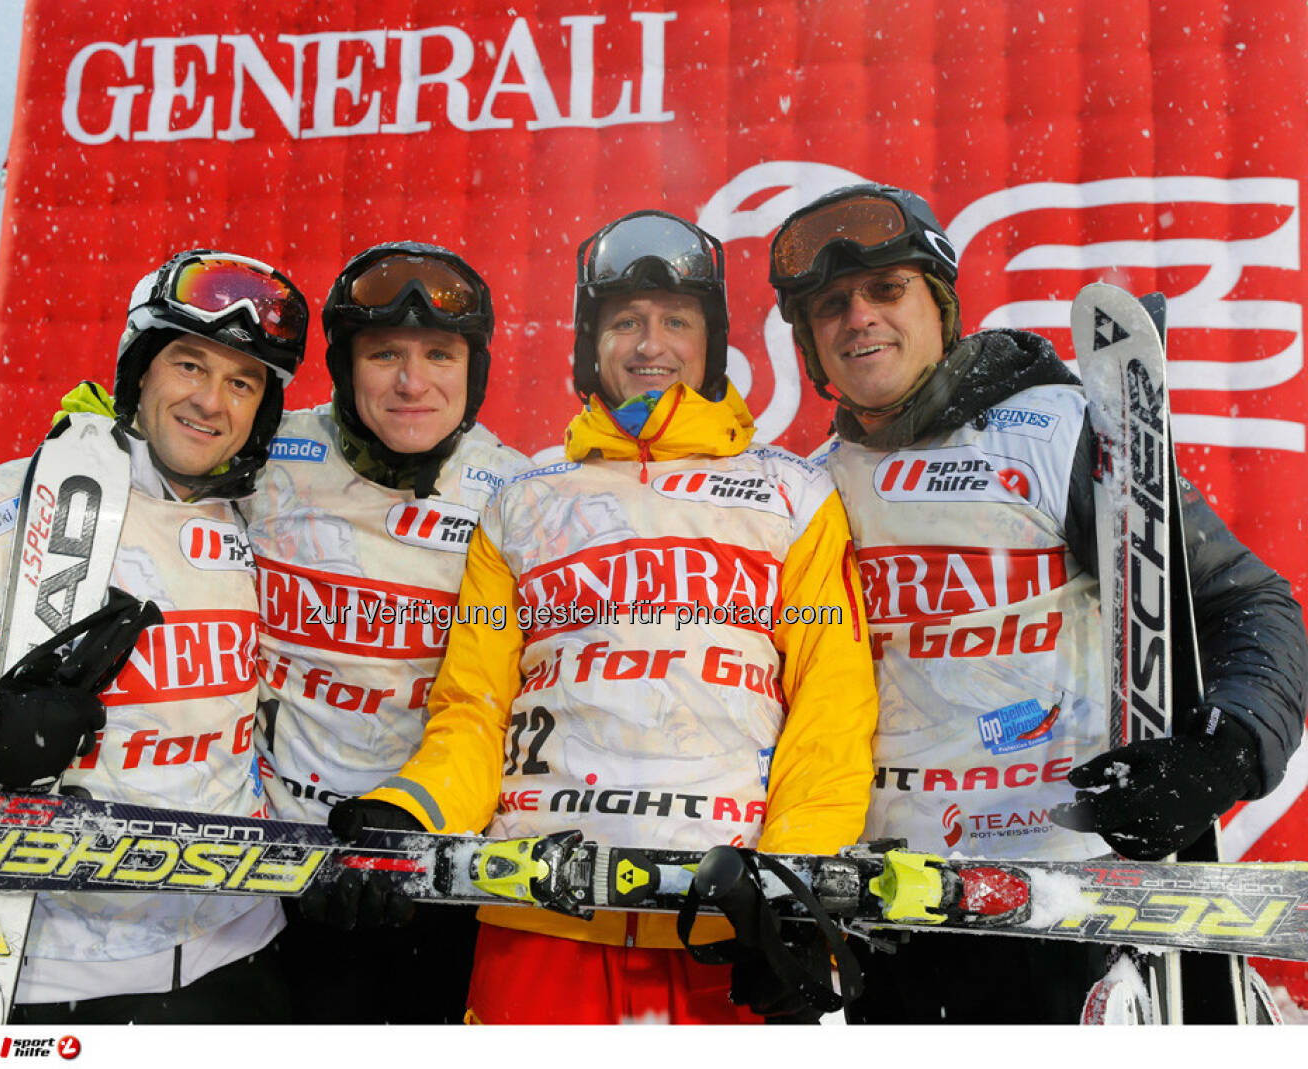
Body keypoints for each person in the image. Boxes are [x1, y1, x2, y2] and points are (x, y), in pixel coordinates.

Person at [767, 182, 1308, 1023]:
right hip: (902, 912)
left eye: (887, 289)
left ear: (941, 305)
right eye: (830, 305)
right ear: (807, 344)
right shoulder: (806, 490)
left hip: (1068, 897)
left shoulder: (1059, 432)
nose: (859, 318)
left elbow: (1249, 605)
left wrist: (1223, 751)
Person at [332, 210, 877, 1024]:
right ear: (591, 344)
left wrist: (792, 880)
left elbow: (830, 709)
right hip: (537, 911)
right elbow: (474, 713)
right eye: (625, 321)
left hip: (725, 922)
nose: (648, 344)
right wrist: (410, 812)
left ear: (712, 343)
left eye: (675, 321)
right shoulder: (522, 502)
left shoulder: (794, 497)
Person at [0, 248, 311, 1023]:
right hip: (45, 974)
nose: (211, 400)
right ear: (139, 371)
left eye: (242, 382)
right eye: (189, 365)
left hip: (239, 952)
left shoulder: (267, 525)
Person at [242, 242, 529, 1023]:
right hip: (266, 865)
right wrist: (101, 441)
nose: (412, 381)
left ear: (475, 369)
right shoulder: (270, 457)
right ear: (342, 366)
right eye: (384, 355)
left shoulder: (516, 495)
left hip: (427, 869)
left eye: (440, 352)